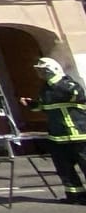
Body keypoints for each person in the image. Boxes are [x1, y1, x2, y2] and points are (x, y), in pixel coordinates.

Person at [23, 56, 86, 203]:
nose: (41, 74)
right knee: (64, 170)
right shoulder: (45, 90)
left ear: (52, 71)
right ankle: (76, 196)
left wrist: (55, 80)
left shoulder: (68, 84)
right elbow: (44, 107)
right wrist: (31, 104)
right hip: (58, 137)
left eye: (43, 71)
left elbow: (76, 94)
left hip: (79, 135)